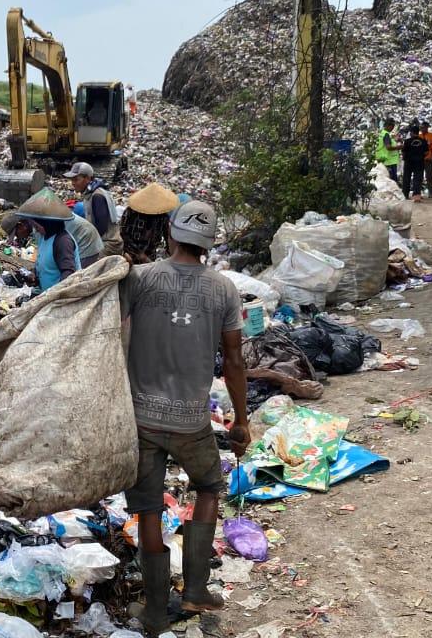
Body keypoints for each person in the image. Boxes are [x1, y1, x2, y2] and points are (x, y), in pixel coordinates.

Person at [119, 200, 250, 634]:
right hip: (192, 421)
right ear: (208, 244)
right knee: (209, 487)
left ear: (171, 234)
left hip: (142, 418)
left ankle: (156, 611)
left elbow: (107, 330)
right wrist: (241, 420)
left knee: (149, 511)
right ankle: (195, 588)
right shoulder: (223, 290)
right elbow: (234, 360)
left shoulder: (139, 279)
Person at [14, 188, 80, 291]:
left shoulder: (62, 241)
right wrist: (35, 275)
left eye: (37, 226)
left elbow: (69, 274)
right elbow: (46, 265)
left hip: (60, 297)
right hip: (46, 293)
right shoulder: (44, 237)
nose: (36, 229)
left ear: (47, 224)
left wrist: (55, 295)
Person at [2, 211, 103, 269]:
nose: (19, 237)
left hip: (86, 239)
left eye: (17, 234)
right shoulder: (34, 220)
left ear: (21, 225)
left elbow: (45, 253)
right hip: (80, 233)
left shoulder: (38, 226)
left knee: (77, 277)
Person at [65, 161, 123, 257]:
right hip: (101, 241)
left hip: (108, 244)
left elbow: (101, 227)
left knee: (80, 260)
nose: (73, 183)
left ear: (88, 178)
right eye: (72, 180)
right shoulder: (91, 194)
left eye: (76, 179)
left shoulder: (97, 196)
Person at [121, 182, 180, 264]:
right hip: (130, 253)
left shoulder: (162, 216)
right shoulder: (131, 212)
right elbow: (123, 233)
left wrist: (171, 253)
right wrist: (139, 253)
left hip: (150, 254)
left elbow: (167, 235)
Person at [401, 122, 430, 201]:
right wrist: (420, 155)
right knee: (418, 178)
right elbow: (427, 152)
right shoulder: (423, 141)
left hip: (408, 162)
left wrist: (405, 158)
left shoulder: (407, 141)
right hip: (419, 162)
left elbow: (403, 152)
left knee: (406, 178)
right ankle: (416, 195)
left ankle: (405, 195)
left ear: (412, 132)